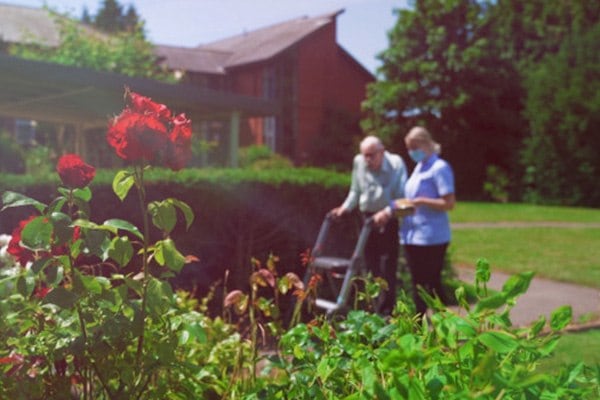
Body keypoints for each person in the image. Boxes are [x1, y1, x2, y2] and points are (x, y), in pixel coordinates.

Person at [332, 135, 407, 315]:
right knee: (370, 265)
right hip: (366, 219)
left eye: (371, 155)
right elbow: (355, 191)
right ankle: (374, 307)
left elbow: (403, 196)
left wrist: (387, 212)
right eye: (364, 155)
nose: (367, 160)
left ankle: (388, 310)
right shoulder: (359, 162)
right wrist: (344, 208)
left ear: (382, 152)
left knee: (387, 265)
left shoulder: (396, 164)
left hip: (388, 217)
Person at [399, 126, 455, 317]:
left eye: (414, 147)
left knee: (428, 283)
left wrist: (422, 201)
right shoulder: (419, 167)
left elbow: (449, 203)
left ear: (424, 144)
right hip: (412, 235)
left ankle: (426, 322)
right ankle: (427, 323)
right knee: (419, 282)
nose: (411, 152)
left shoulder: (439, 168)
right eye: (409, 148)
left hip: (432, 236)